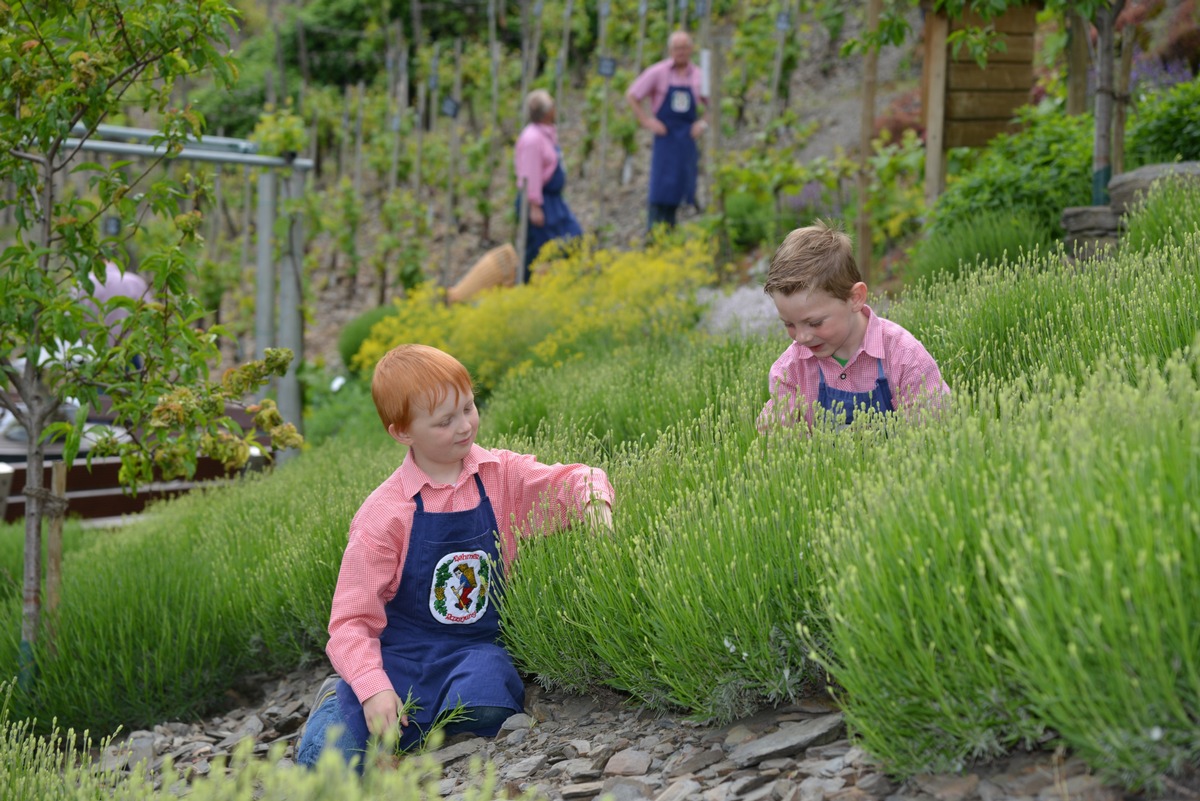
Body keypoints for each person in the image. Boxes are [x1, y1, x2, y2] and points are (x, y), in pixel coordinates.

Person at [296, 344, 614, 769]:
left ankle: (421, 745)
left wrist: (594, 507)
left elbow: (578, 478)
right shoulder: (385, 514)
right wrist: (373, 686)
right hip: (399, 659)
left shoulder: (502, 476)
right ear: (402, 432)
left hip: (474, 649)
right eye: (445, 421)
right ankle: (342, 697)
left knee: (489, 709)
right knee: (330, 759)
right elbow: (351, 620)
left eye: (468, 407)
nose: (465, 426)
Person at [759, 221, 949, 430]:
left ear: (856, 298)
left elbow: (935, 430)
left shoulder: (904, 356)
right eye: (789, 324)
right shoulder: (790, 371)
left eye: (814, 323)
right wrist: (774, 427)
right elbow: (786, 448)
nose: (802, 337)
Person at [625, 30, 709, 232]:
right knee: (661, 187)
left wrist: (702, 124)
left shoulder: (699, 75)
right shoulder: (658, 72)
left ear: (691, 49)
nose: (681, 52)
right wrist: (647, 121)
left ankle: (671, 233)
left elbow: (712, 105)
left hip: (686, 140)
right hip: (665, 139)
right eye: (677, 48)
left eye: (684, 47)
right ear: (670, 50)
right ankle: (654, 233)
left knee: (682, 185)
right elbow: (632, 95)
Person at [514, 89, 582, 273]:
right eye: (552, 104)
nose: (555, 107)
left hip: (553, 201)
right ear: (546, 112)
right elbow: (530, 175)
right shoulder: (532, 139)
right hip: (539, 202)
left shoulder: (545, 133)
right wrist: (534, 206)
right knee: (537, 250)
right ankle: (525, 286)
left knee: (573, 238)